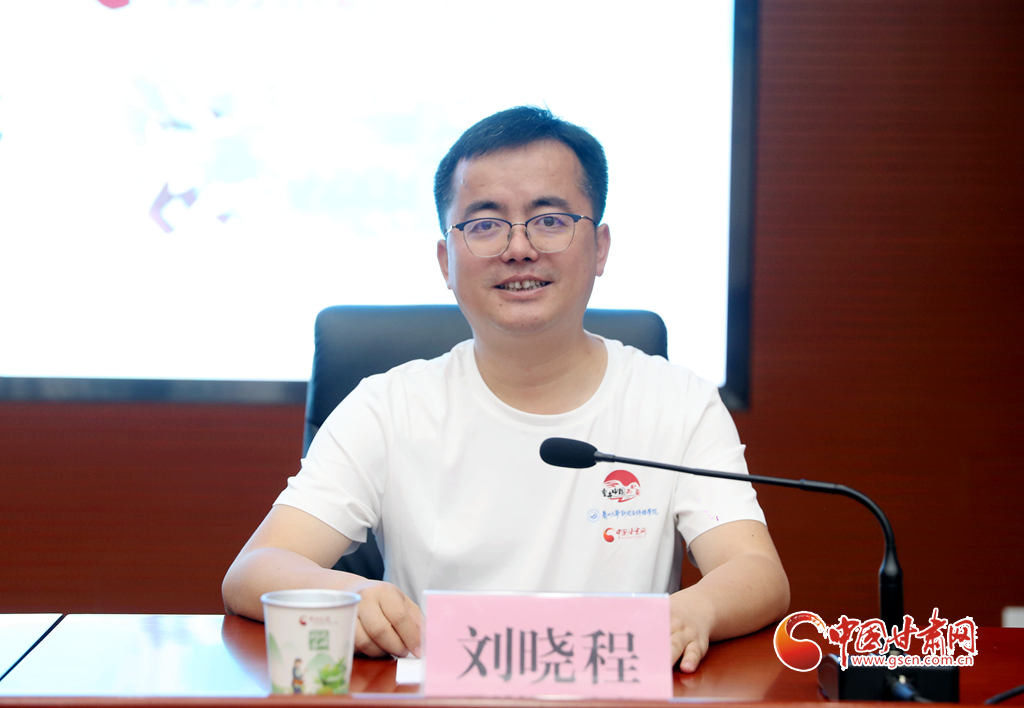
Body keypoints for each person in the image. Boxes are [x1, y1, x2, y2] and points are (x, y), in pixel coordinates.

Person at [222, 106, 789, 673]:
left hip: (615, 697)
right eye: (485, 225)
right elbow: (255, 569)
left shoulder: (677, 402)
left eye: (550, 220)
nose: (519, 248)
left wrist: (694, 610)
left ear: (600, 248)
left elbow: (756, 571)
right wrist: (348, 595)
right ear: (446, 262)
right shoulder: (387, 407)